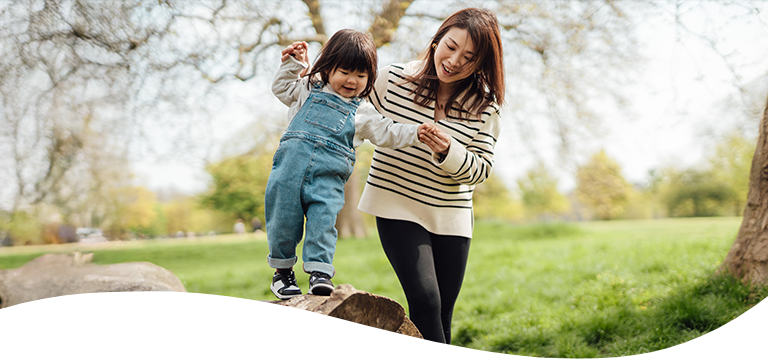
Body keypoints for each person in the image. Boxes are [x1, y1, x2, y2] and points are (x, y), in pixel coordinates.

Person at [357, 8, 505, 360]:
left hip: (451, 215)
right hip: (396, 203)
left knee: (442, 313)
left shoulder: (486, 107)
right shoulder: (391, 79)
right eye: (450, 47)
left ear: (482, 63)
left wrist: (449, 151)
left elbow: (481, 169)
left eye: (469, 58)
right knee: (425, 299)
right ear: (437, 39)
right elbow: (346, 104)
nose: (454, 61)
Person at [266, 29, 437, 300]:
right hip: (289, 170)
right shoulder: (308, 87)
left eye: (361, 75)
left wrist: (416, 132)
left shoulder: (362, 111)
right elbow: (281, 88)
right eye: (345, 71)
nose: (352, 80)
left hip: (328, 178)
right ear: (328, 67)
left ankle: (320, 273)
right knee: (282, 219)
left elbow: (387, 132)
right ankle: (283, 272)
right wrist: (293, 64)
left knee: (323, 221)